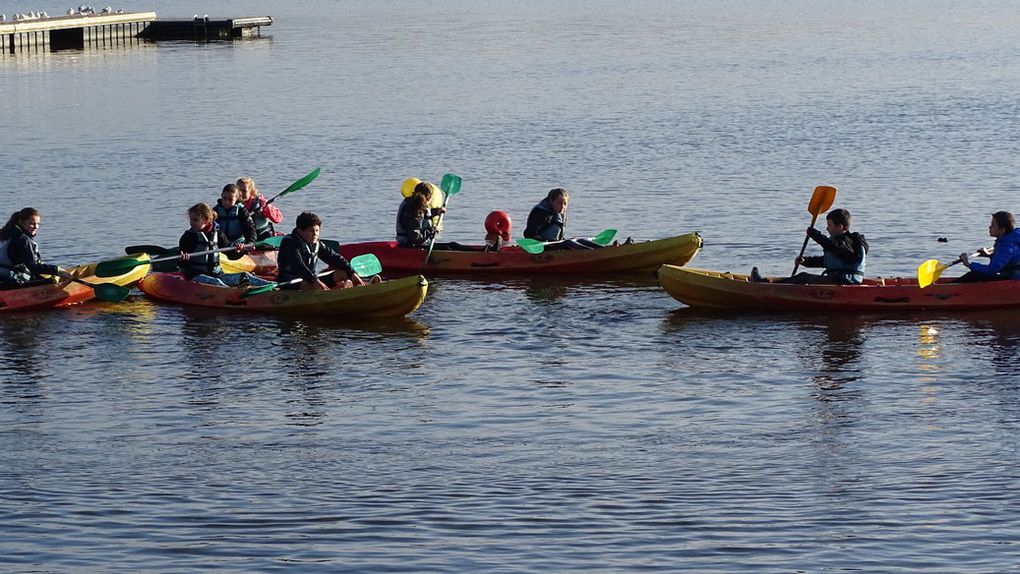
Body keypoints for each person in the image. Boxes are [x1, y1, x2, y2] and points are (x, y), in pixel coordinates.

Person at [752, 208, 869, 284]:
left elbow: (832, 246)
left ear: (840, 227)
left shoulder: (847, 242)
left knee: (803, 277)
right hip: (839, 279)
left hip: (844, 281)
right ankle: (770, 282)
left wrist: (814, 234)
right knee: (801, 277)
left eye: (829, 225)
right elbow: (826, 261)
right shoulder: (840, 244)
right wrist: (805, 261)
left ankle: (765, 284)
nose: (827, 228)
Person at [178, 203, 272, 288]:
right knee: (216, 282)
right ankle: (234, 293)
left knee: (245, 275)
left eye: (195, 220)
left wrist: (238, 251)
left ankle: (273, 286)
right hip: (195, 276)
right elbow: (181, 265)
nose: (191, 223)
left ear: (206, 220)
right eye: (191, 219)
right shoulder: (188, 237)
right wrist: (183, 260)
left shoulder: (218, 235)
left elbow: (231, 255)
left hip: (216, 274)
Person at [277, 211, 378, 290]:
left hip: (311, 279)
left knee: (344, 273)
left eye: (317, 231)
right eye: (311, 231)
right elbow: (298, 266)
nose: (315, 234)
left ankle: (362, 287)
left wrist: (351, 272)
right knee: (311, 285)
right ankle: (341, 292)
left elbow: (334, 257)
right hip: (291, 283)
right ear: (300, 231)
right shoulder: (289, 244)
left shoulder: (316, 243)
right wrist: (315, 280)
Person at [0, 207, 74, 286]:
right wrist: (57, 270)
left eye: (38, 224)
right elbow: (34, 267)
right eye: (32, 223)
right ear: (21, 222)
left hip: (2, 278)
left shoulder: (5, 233)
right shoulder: (23, 240)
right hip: (10, 282)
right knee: (51, 282)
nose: (36, 227)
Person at [955, 211, 1020, 282]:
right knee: (975, 275)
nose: (989, 227)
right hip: (1011, 277)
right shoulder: (1007, 240)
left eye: (993, 225)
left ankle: (948, 290)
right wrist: (989, 255)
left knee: (974, 275)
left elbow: (991, 270)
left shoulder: (1007, 245)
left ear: (1002, 230)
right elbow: (1005, 260)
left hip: (1014, 281)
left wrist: (969, 264)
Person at [396, 181, 446, 248]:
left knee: (453, 245)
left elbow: (425, 213)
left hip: (415, 242)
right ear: (429, 198)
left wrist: (437, 211)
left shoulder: (414, 203)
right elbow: (415, 237)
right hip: (410, 245)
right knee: (449, 247)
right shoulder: (413, 208)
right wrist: (432, 230)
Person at [237, 176, 283, 241]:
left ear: (251, 191)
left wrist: (266, 207)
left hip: (262, 235)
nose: (241, 194)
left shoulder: (260, 202)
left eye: (244, 191)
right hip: (245, 237)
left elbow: (278, 219)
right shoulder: (235, 204)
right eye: (239, 191)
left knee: (267, 236)